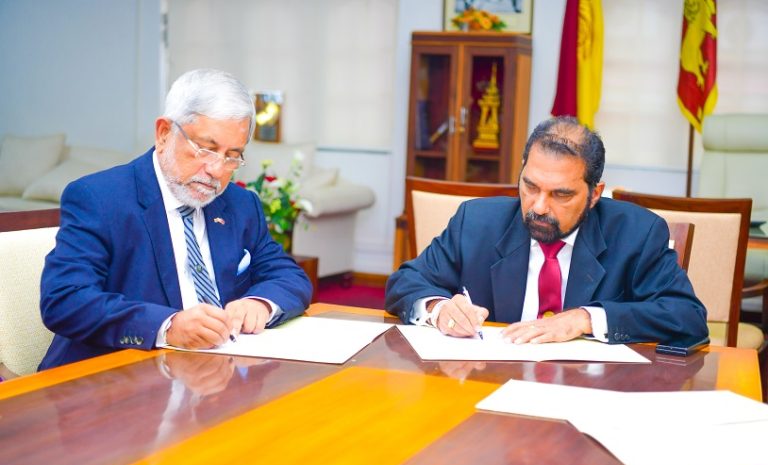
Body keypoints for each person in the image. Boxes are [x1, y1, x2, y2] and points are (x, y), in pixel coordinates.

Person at [38, 69, 312, 369]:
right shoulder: (99, 198)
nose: (217, 170)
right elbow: (65, 300)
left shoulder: (241, 204)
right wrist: (167, 327)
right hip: (114, 375)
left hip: (216, 373)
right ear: (164, 133)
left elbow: (288, 276)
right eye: (206, 149)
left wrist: (259, 302)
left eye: (232, 156)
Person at [385, 116, 707, 345]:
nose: (538, 207)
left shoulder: (636, 233)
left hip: (587, 395)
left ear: (594, 194)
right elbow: (405, 282)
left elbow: (687, 316)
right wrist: (438, 309)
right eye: (530, 186)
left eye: (561, 195)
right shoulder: (477, 222)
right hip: (488, 384)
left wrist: (586, 319)